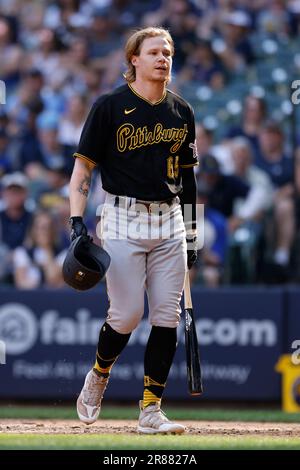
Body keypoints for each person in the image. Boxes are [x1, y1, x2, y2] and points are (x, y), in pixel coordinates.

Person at [68, 27, 198, 434]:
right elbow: (82, 170)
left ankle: (151, 409)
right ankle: (100, 373)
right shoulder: (109, 106)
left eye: (168, 53)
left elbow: (190, 181)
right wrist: (76, 221)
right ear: (134, 60)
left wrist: (192, 234)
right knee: (126, 315)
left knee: (165, 315)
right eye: (154, 52)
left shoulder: (182, 111)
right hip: (122, 217)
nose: (163, 58)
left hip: (170, 219)